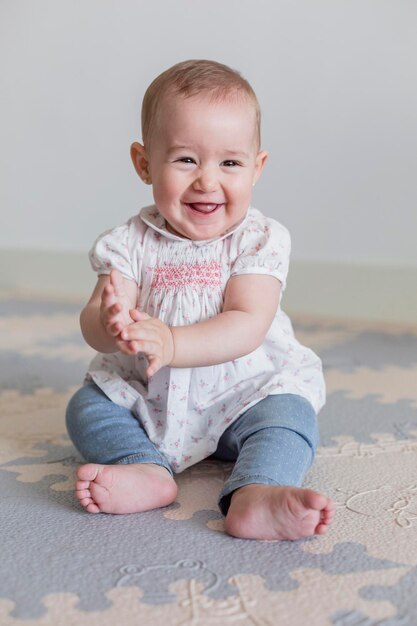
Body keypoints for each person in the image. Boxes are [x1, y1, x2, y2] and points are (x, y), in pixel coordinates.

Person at [66, 59, 335, 540]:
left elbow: (247, 322)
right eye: (186, 159)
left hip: (244, 393)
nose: (207, 181)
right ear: (144, 163)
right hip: (150, 398)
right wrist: (108, 326)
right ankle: (144, 468)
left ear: (257, 168)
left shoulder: (259, 239)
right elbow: (96, 313)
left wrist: (170, 341)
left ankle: (258, 493)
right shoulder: (127, 242)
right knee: (88, 406)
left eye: (230, 163)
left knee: (288, 414)